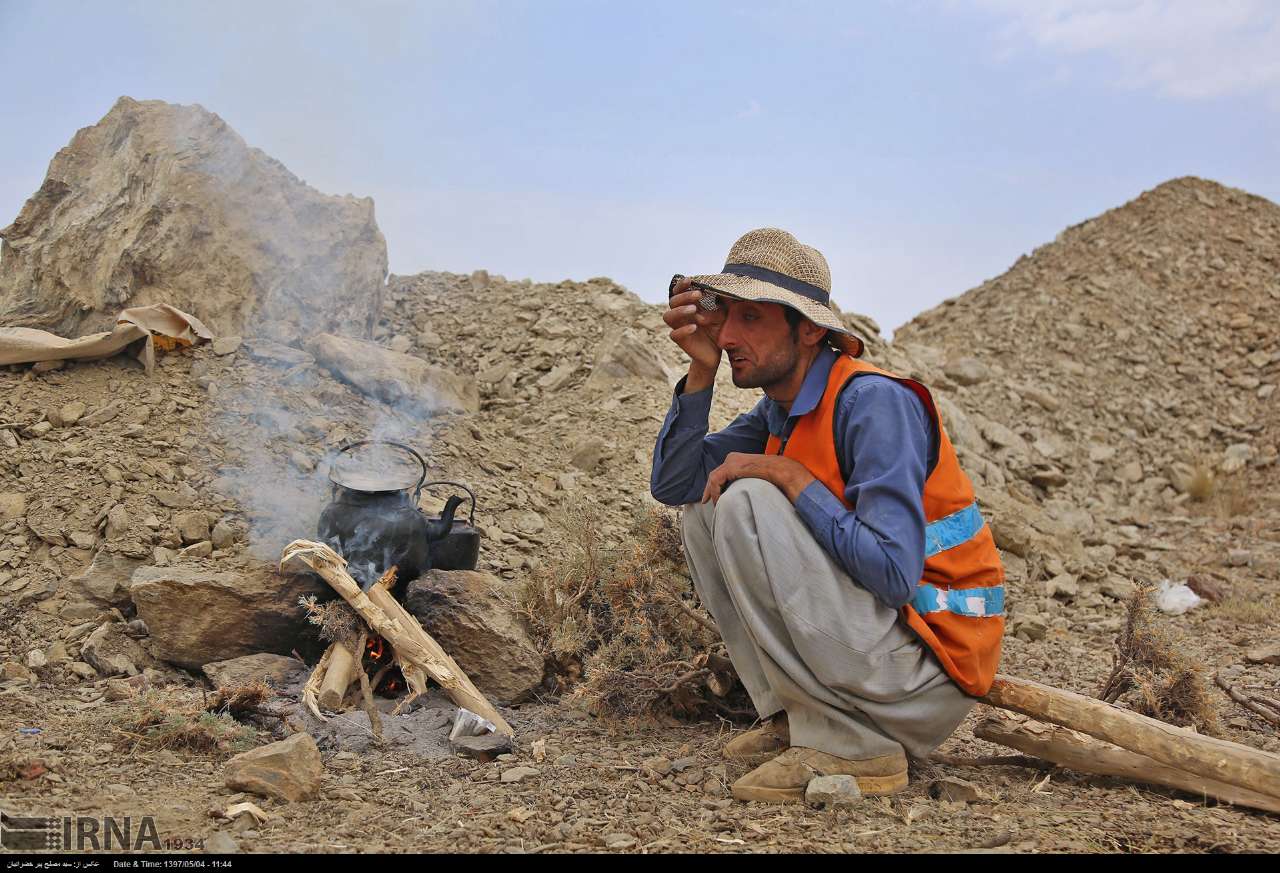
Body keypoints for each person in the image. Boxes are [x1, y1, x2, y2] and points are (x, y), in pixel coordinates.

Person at [650, 228, 1005, 803]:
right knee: (707, 508)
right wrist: (701, 372)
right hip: (880, 653)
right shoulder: (781, 410)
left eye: (751, 318)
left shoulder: (874, 404)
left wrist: (789, 476)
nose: (729, 334)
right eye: (727, 315)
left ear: (810, 329)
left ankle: (853, 746)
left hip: (927, 675)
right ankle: (794, 720)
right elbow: (676, 486)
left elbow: (893, 575)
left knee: (747, 497)